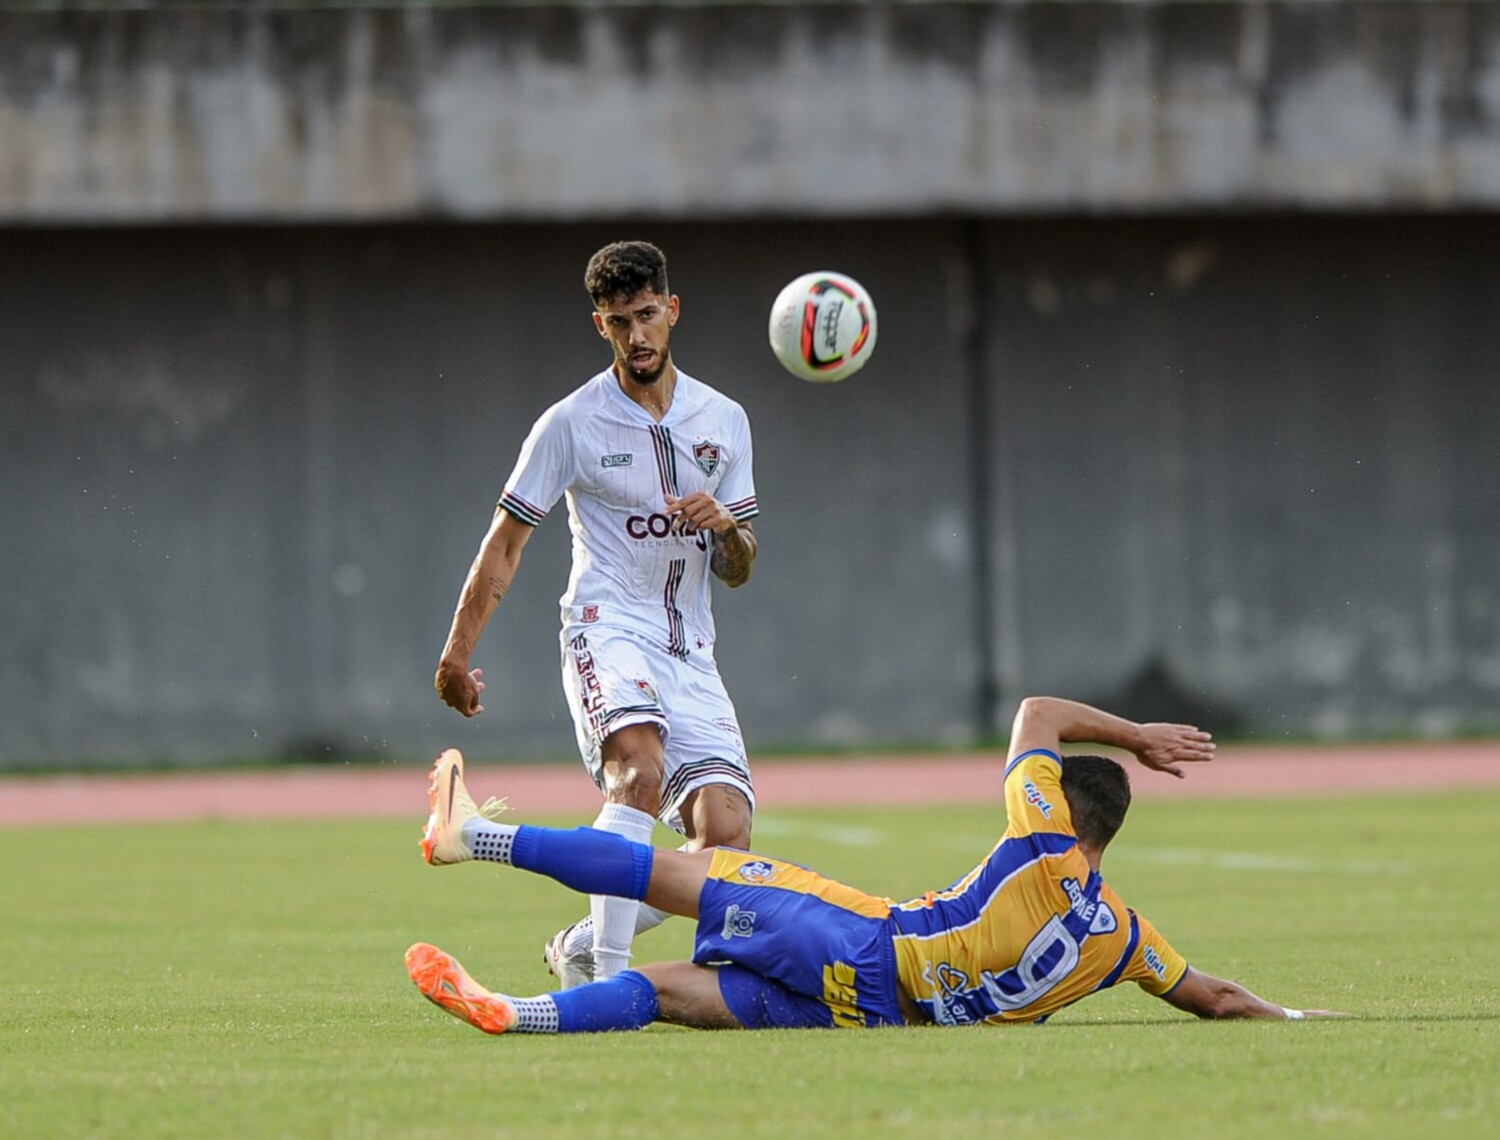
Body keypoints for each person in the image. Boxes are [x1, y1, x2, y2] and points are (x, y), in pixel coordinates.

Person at [405, 696, 1349, 1033]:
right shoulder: (1122, 941)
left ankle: (467, 836)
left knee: (662, 872)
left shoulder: (1039, 839)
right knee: (663, 990)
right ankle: (516, 1015)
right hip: (865, 1014)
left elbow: (1035, 716)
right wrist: (1304, 1015)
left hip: (858, 934)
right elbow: (1215, 998)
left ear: (1069, 814)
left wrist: (1137, 734)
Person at [433, 240, 760, 989]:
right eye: (621, 323)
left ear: (672, 311)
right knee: (636, 776)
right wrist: (456, 656)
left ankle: (582, 942)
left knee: (727, 839)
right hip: (606, 625)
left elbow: (740, 570)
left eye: (648, 316)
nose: (638, 337)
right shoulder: (571, 423)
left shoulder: (725, 420)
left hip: (690, 648)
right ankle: (613, 980)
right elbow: (506, 544)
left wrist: (726, 531)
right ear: (600, 326)